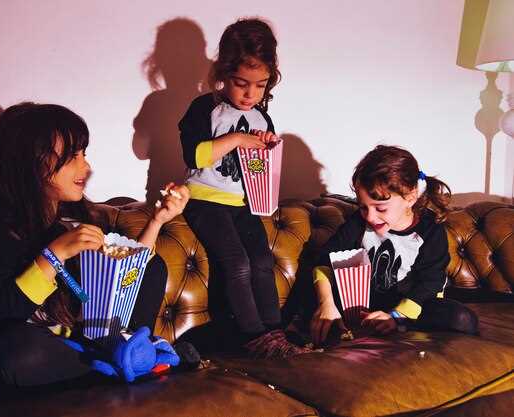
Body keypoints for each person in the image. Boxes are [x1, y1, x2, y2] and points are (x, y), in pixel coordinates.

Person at [0, 102, 189, 386]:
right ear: (30, 162)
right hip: (59, 347)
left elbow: (124, 277)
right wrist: (56, 253)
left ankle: (129, 352)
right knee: (17, 355)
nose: (86, 166)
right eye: (73, 156)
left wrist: (158, 221)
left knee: (151, 265)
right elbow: (3, 311)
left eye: (84, 154)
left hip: (97, 336)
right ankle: (131, 359)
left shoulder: (79, 219)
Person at [178, 18, 309, 358]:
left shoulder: (261, 118)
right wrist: (237, 138)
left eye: (260, 86)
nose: (250, 94)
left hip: (242, 203)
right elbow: (194, 156)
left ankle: (274, 333)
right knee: (237, 262)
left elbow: (258, 170)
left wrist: (265, 147)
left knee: (262, 260)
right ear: (224, 73)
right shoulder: (204, 108)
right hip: (204, 200)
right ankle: (254, 336)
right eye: (241, 84)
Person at [309, 145, 478, 346]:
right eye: (363, 207)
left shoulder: (430, 230)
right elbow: (324, 261)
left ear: (410, 197)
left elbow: (430, 283)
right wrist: (326, 304)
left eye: (380, 208)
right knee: (316, 302)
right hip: (370, 307)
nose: (370, 217)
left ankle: (401, 327)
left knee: (461, 318)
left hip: (414, 305)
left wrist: (395, 316)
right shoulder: (358, 223)